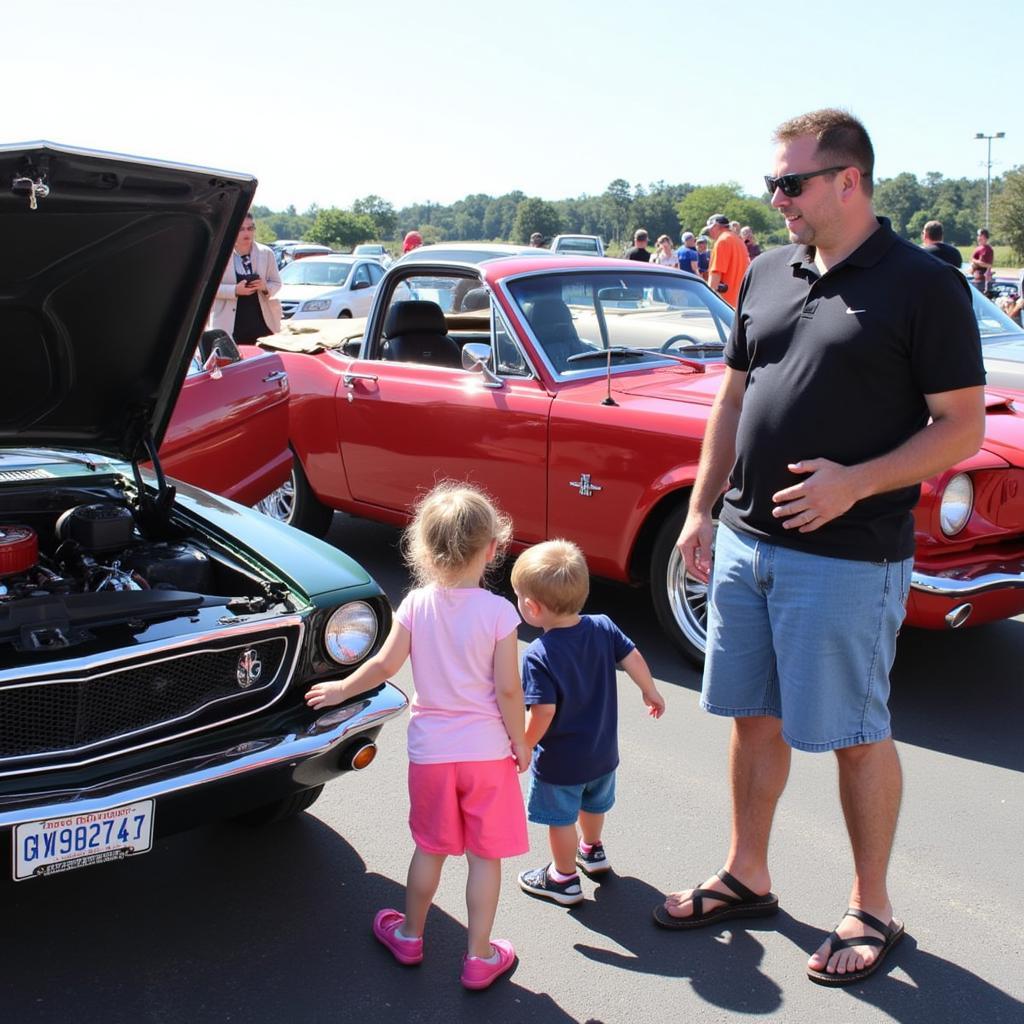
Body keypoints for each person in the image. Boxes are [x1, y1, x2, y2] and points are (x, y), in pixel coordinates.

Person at [660, 108, 985, 987]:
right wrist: (699, 510)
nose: (776, 199)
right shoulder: (766, 270)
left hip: (849, 556)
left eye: (791, 183)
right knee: (750, 718)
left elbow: (959, 429)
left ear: (849, 181)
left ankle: (872, 905)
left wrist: (856, 481)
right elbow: (732, 401)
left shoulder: (923, 286)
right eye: (773, 183)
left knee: (852, 732)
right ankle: (748, 873)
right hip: (742, 542)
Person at [305, 482, 530, 991]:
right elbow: (509, 691)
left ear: (424, 550)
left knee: (429, 848)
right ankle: (478, 956)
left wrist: (341, 687)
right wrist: (519, 741)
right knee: (483, 857)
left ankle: (409, 935)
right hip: (486, 755)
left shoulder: (414, 605)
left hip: (431, 754)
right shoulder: (498, 614)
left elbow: (384, 664)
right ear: (493, 549)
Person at [510, 540, 664, 906]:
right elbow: (633, 656)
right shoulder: (603, 626)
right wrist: (650, 690)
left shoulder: (538, 655)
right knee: (594, 805)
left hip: (562, 762)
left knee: (560, 817)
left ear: (532, 607)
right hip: (602, 752)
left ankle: (562, 878)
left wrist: (526, 743)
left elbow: (542, 712)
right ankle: (592, 851)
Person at [209, 213, 282, 343]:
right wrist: (235, 290)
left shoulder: (266, 253)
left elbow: (276, 283)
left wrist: (264, 287)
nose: (246, 233)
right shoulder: (219, 254)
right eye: (241, 229)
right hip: (230, 325)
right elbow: (207, 288)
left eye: (250, 228)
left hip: (263, 324)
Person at [702, 213, 750, 307]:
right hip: (740, 302)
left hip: (725, 304)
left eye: (710, 229)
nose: (710, 233)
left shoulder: (722, 241)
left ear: (715, 226)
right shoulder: (738, 240)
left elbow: (715, 276)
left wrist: (708, 303)